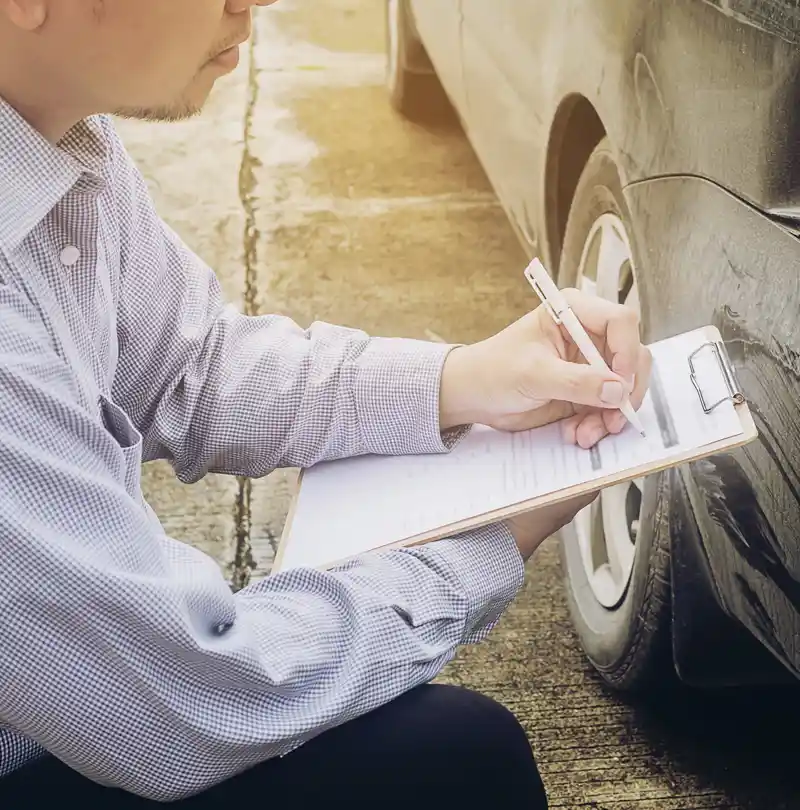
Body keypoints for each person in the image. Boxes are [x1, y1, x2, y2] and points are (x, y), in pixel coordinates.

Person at [0, 0, 652, 806]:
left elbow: (187, 367)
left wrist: (467, 381)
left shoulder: (59, 137)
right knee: (458, 763)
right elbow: (183, 699)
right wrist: (482, 545)